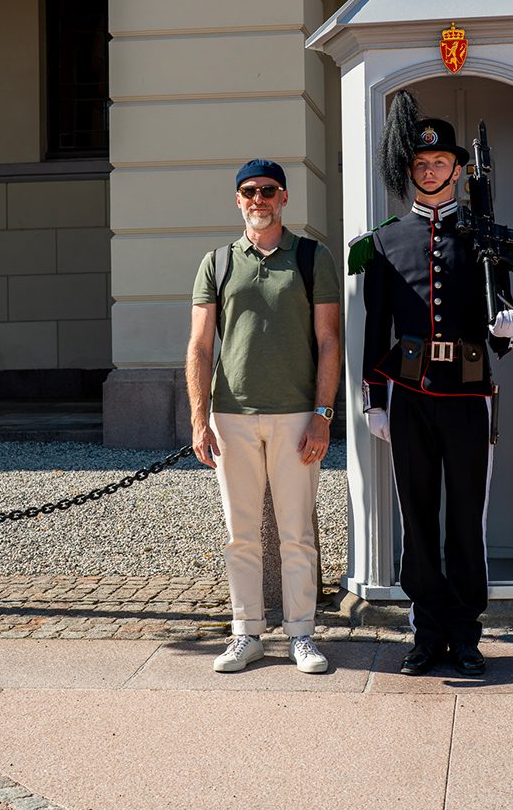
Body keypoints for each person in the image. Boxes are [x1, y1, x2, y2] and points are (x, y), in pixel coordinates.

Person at [360, 100, 513, 677]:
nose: (430, 171)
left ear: (458, 168)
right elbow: (375, 324)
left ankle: (465, 632)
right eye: (421, 162)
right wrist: (374, 400)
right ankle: (426, 633)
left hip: (468, 395)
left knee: (465, 521)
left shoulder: (484, 236)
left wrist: (508, 333)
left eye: (440, 161)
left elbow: (501, 316)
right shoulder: (385, 241)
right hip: (408, 397)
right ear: (410, 170)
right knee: (418, 516)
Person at [186, 158, 341, 674]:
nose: (259, 199)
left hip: (296, 415)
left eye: (268, 190)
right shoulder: (217, 262)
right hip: (232, 416)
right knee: (240, 534)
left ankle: (301, 634)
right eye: (249, 191)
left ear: (284, 197)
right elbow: (201, 345)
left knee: (297, 533)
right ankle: (245, 633)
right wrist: (198, 417)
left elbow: (328, 340)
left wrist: (323, 414)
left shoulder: (312, 257)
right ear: (238, 199)